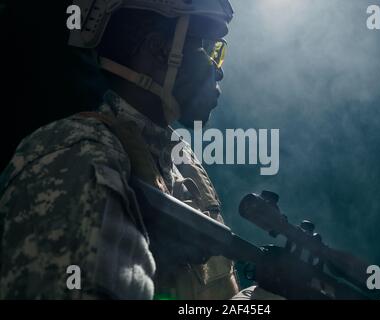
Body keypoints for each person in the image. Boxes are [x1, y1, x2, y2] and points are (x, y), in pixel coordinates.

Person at [0, 0, 245, 299]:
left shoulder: (182, 162)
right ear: (160, 50)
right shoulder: (79, 153)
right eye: (209, 50)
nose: (217, 71)